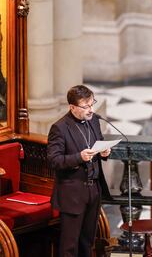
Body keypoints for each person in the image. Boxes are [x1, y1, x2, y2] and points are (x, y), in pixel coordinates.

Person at [47, 85, 112, 257]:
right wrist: (79, 157)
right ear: (72, 107)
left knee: (87, 241)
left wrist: (104, 152)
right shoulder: (59, 128)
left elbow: (99, 141)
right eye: (86, 106)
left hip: (94, 189)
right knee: (70, 245)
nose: (91, 109)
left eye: (92, 104)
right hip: (73, 192)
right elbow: (54, 161)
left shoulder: (94, 120)